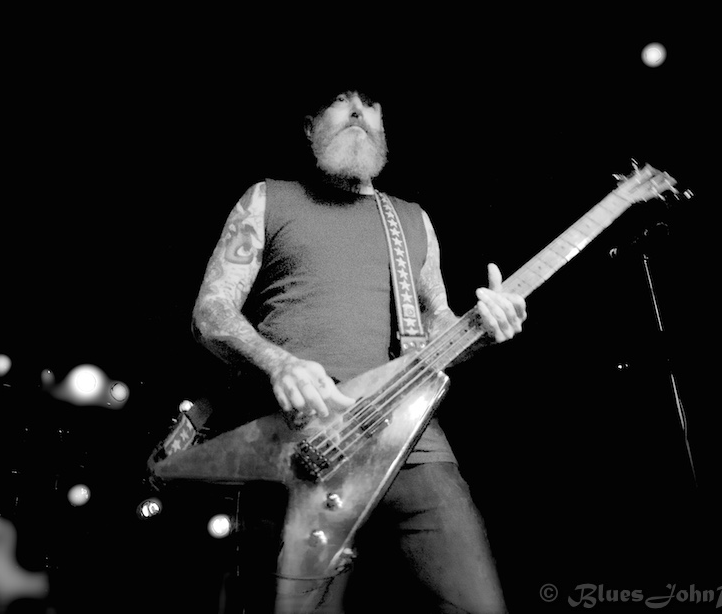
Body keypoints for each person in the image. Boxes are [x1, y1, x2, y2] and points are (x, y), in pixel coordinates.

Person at [192, 90, 527, 613]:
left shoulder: (412, 219)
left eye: (369, 105)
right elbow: (211, 314)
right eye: (339, 102)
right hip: (304, 445)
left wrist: (481, 325)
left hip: (414, 444)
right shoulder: (267, 197)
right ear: (309, 126)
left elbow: (437, 323)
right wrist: (279, 361)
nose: (356, 113)